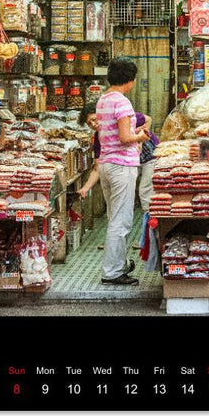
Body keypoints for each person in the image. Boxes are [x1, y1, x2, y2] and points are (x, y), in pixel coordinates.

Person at [93, 58, 149, 286]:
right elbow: (126, 138)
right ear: (131, 81)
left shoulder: (103, 100)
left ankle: (120, 263)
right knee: (121, 220)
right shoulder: (123, 102)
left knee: (113, 217)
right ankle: (113, 272)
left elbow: (111, 133)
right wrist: (141, 136)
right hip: (122, 166)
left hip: (106, 163)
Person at [80, 102, 158, 247]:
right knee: (116, 203)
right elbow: (98, 167)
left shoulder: (122, 119)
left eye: (95, 119)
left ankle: (148, 241)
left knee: (145, 194)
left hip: (149, 157)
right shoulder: (99, 137)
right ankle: (115, 241)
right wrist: (85, 188)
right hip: (129, 163)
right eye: (90, 123)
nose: (94, 124)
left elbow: (147, 119)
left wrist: (140, 136)